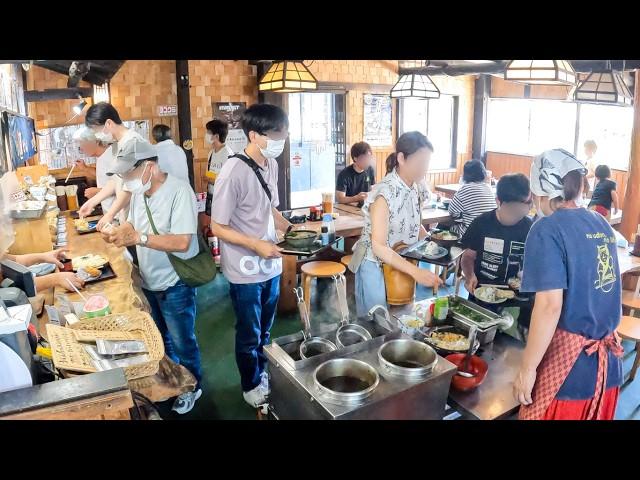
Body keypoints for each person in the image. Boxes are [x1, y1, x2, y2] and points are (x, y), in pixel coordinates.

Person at [514, 148, 623, 420]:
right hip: (607, 369)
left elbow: (550, 306)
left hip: (568, 371)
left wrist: (527, 369)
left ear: (541, 190)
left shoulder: (547, 228)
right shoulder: (601, 223)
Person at [101, 136, 203, 415]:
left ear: (149, 167)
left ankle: (193, 386)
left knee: (183, 341)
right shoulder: (139, 193)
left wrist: (140, 237)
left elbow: (183, 242)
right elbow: (134, 224)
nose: (125, 180)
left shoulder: (180, 191)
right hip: (148, 279)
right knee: (160, 339)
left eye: (128, 173)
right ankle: (172, 382)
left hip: (175, 283)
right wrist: (122, 233)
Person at [210, 103, 292, 408]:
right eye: (276, 133)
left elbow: (269, 207)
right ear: (255, 135)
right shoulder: (232, 172)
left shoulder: (270, 165)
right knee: (249, 332)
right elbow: (218, 226)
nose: (282, 138)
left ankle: (260, 374)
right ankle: (249, 385)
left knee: (265, 329)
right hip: (245, 268)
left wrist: (289, 227)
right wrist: (255, 244)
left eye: (284, 131)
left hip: (270, 262)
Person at [352, 131, 442, 318]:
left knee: (401, 319)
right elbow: (378, 246)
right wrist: (416, 272)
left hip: (400, 262)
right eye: (420, 162)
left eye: (427, 163)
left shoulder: (415, 186)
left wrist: (437, 246)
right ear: (401, 158)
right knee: (377, 324)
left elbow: (414, 226)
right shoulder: (384, 193)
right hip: (374, 264)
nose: (424, 169)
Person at [460, 173, 534, 334]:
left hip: (517, 302)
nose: (516, 217)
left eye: (521, 213)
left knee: (508, 351)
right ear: (498, 201)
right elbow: (468, 257)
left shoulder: (531, 228)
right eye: (512, 212)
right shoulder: (482, 223)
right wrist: (469, 275)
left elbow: (537, 264)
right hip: (483, 297)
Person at [81, 102, 145, 231]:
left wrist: (110, 214)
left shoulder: (132, 143)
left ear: (109, 123)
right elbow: (116, 180)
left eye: (97, 131)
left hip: (141, 216)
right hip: (128, 217)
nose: (97, 136)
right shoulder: (118, 145)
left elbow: (128, 188)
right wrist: (92, 202)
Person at [447, 159, 497, 237]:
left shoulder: (465, 188)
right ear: (483, 173)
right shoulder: (488, 188)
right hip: (489, 235)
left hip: (470, 234)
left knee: (444, 227)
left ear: (465, 175)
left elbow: (452, 212)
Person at [72, 127, 114, 209]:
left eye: (84, 144)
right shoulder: (100, 156)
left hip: (118, 213)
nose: (82, 148)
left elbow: (122, 187)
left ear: (97, 142)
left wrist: (97, 192)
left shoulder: (111, 156)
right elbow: (103, 176)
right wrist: (85, 168)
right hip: (109, 210)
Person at [204, 119, 234, 217]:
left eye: (208, 132)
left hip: (225, 198)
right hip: (212, 195)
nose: (206, 135)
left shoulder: (228, 153)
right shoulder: (211, 153)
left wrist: (213, 180)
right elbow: (209, 174)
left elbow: (231, 181)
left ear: (216, 136)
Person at [336, 141, 376, 207]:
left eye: (369, 157)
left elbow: (373, 189)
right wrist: (356, 198)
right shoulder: (344, 174)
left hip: (365, 208)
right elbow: (340, 199)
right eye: (365, 158)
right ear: (355, 158)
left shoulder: (370, 170)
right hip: (348, 210)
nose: (368, 161)